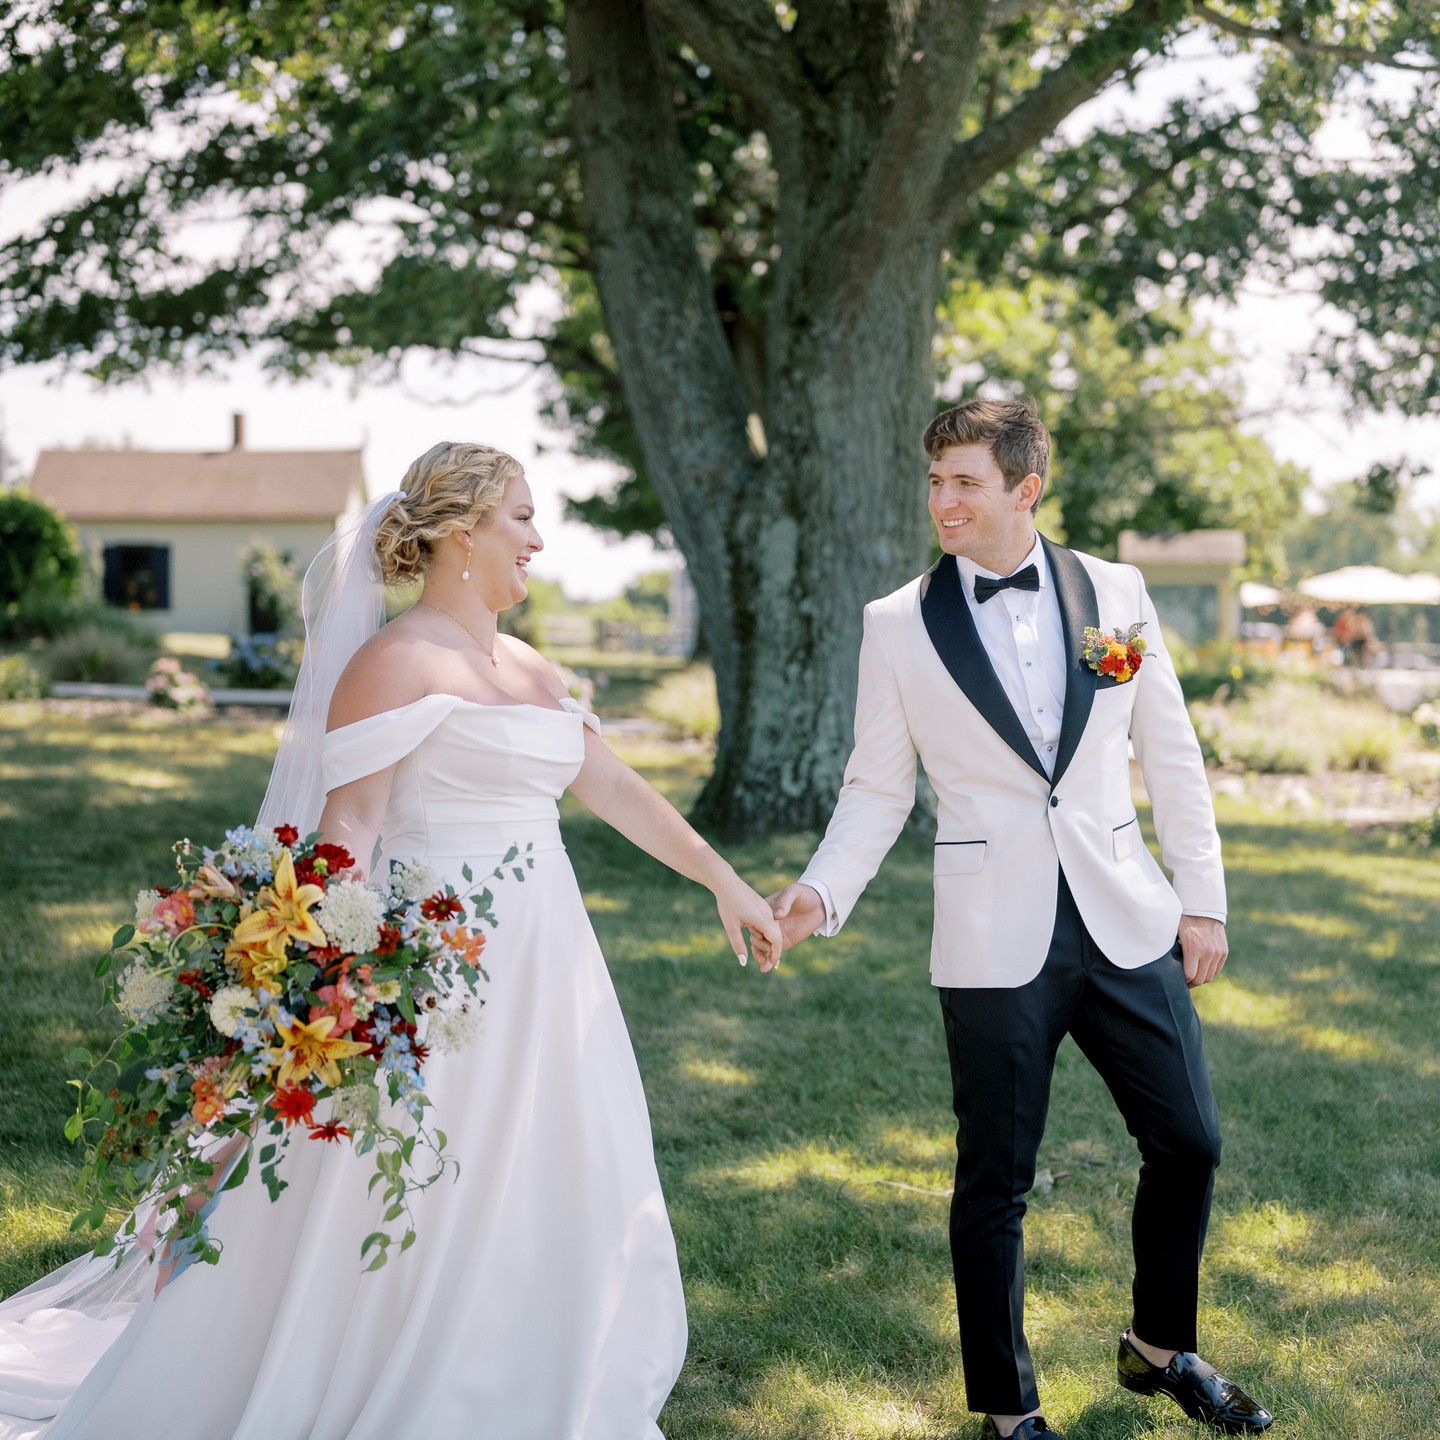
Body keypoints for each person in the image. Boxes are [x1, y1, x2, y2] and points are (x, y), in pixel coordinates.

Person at [0, 441, 781, 1440]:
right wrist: (312, 975)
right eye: (525, 520)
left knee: (558, 1163)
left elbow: (616, 788)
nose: (540, 542)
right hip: (439, 980)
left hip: (553, 968)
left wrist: (727, 882)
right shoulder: (394, 661)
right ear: (464, 534)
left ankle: (541, 1371)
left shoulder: (535, 669)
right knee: (438, 1178)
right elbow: (351, 830)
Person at [768, 400, 1273, 1440]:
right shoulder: (897, 623)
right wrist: (822, 891)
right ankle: (1009, 1410)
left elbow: (1167, 753)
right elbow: (874, 789)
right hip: (993, 937)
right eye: (934, 482)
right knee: (994, 1180)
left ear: (1023, 488)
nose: (941, 501)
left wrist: (1203, 897)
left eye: (963, 482)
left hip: (1126, 916)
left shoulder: (1115, 593)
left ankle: (1161, 1346)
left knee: (1190, 1140)